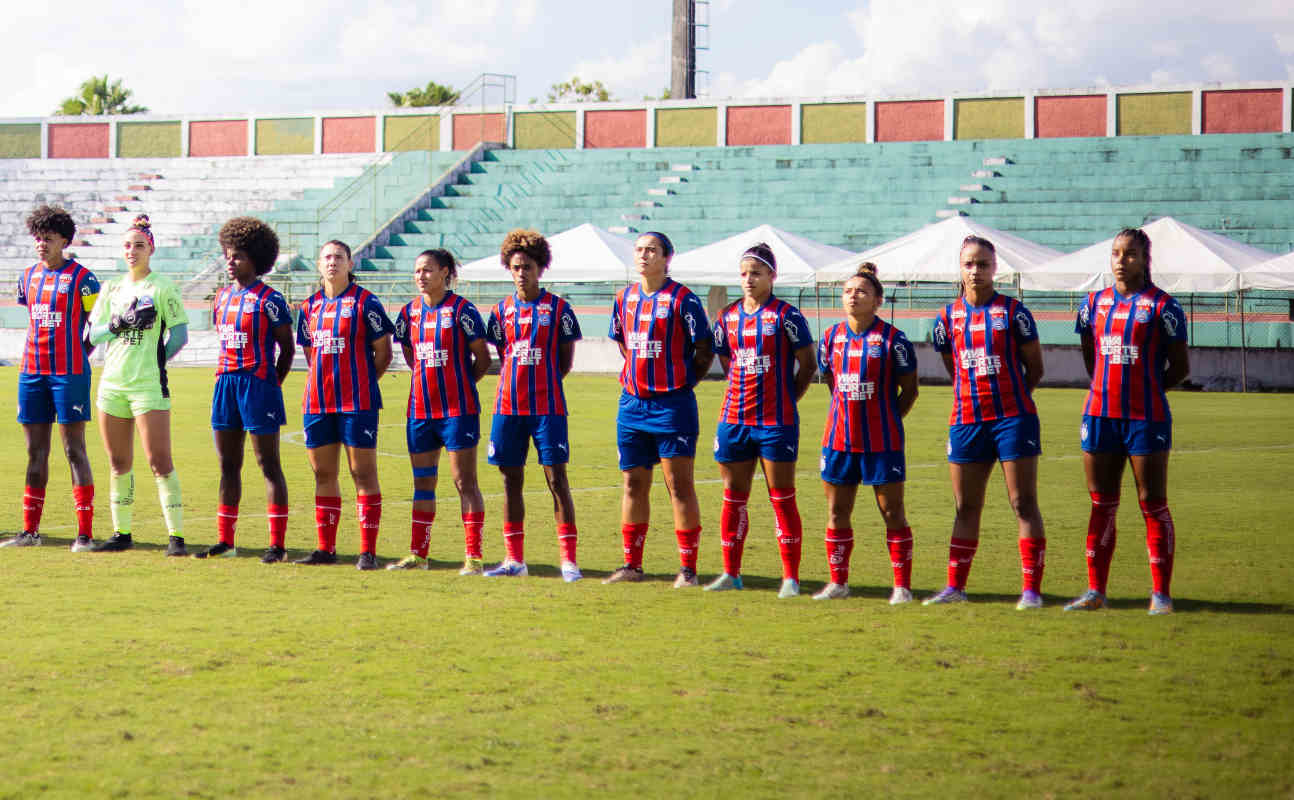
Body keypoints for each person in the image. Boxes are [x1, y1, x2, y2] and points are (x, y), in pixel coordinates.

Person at [1065, 228, 1189, 615]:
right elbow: (1091, 356)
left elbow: (1180, 368)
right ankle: (1095, 592)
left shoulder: (1163, 307)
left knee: (1152, 503)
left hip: (1145, 417)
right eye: (1116, 253)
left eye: (1130, 253)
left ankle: (1161, 595)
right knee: (1101, 503)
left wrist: (1147, 389)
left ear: (1145, 259)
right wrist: (1106, 388)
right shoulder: (1092, 304)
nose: (1121, 260)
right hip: (1100, 416)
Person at [927, 235, 1046, 609]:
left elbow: (1035, 368)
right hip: (966, 420)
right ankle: (955, 587)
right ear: (959, 269)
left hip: (1013, 419)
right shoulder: (946, 319)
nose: (975, 271)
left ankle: (1031, 591)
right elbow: (954, 368)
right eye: (968, 264)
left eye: (982, 264)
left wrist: (1009, 399)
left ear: (995, 269)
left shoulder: (1014, 313)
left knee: (1022, 502)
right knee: (965, 506)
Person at [706, 243, 815, 597]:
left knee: (781, 497)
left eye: (756, 272)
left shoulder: (787, 316)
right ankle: (731, 573)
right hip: (734, 419)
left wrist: (787, 398)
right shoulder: (727, 317)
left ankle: (790, 578)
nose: (749, 279)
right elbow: (727, 362)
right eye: (743, 273)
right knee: (733, 497)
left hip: (775, 421)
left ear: (772, 276)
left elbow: (808, 366)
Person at [605, 232, 713, 587]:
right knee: (633, 483)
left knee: (678, 485)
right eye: (638, 250)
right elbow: (623, 343)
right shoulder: (624, 297)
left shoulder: (684, 299)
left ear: (668, 257)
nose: (644, 255)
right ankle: (632, 565)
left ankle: (688, 569)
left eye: (651, 250)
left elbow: (703, 350)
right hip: (632, 405)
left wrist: (680, 383)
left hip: (672, 406)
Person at [815, 263, 919, 602]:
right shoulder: (830, 337)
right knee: (836, 512)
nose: (853, 296)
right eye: (847, 291)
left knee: (892, 512)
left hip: (882, 443)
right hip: (839, 441)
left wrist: (888, 418)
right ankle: (838, 583)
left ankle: (902, 586)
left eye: (861, 291)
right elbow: (833, 384)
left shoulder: (894, 340)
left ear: (877, 300)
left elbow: (910, 390)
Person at [483, 229, 583, 581]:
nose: (521, 273)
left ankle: (569, 561)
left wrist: (545, 384)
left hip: (548, 408)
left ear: (540, 268)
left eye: (527, 266)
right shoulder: (499, 312)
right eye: (515, 267)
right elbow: (502, 354)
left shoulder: (559, 309)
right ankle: (515, 560)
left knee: (557, 480)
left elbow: (565, 361)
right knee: (511, 481)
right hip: (508, 407)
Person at [86, 214, 190, 554]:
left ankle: (176, 537)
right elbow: (93, 333)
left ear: (151, 249)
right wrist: (119, 322)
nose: (132, 251)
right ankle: (122, 533)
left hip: (147, 385)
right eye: (128, 245)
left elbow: (180, 335)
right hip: (112, 384)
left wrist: (158, 359)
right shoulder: (112, 287)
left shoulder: (162, 287)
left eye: (140, 246)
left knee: (159, 460)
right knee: (118, 463)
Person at [197, 217, 294, 562]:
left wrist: (272, 382)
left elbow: (288, 349)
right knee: (227, 465)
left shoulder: (270, 299)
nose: (230, 261)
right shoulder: (221, 298)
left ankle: (277, 546)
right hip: (225, 384)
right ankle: (226, 541)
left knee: (268, 464)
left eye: (237, 255)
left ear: (255, 258)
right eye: (227, 254)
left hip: (258, 385)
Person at [387, 249, 491, 573]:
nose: (421, 276)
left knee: (465, 482)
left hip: (457, 411)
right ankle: (419, 554)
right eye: (417, 271)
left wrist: (461, 384)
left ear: (445, 273)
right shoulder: (408, 314)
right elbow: (409, 353)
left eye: (428, 270)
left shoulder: (462, 310)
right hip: (419, 410)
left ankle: (473, 556)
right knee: (422, 483)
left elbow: (483, 360)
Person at [3, 205, 100, 550]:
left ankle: (85, 534)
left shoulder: (83, 279)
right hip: (31, 372)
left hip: (69, 373)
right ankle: (30, 532)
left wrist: (79, 352)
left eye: (48, 238)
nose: (41, 243)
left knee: (75, 450)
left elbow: (97, 327)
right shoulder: (27, 277)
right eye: (37, 238)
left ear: (64, 240)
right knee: (35, 452)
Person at [294, 240, 394, 570]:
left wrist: (362, 382)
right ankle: (326, 549)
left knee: (361, 472)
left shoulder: (367, 302)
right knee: (323, 473)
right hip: (318, 402)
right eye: (326, 257)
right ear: (318, 265)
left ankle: (368, 551)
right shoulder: (309, 308)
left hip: (358, 401)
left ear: (350, 263)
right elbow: (311, 356)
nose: (332, 262)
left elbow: (384, 354)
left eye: (339, 257)